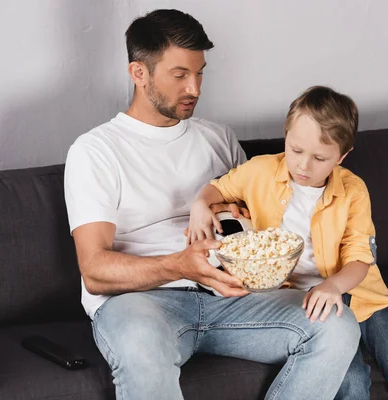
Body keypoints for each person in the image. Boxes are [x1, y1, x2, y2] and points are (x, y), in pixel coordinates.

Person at [64, 9, 361, 400]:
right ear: (139, 73)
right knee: (140, 346)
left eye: (200, 72)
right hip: (141, 303)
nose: (195, 88)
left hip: (233, 297)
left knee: (337, 325)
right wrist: (179, 265)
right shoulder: (96, 151)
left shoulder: (218, 138)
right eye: (180, 75)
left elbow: (261, 222)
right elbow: (94, 270)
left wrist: (239, 218)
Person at [189, 85, 388, 399]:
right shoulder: (260, 171)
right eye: (295, 149)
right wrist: (200, 204)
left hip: (361, 294)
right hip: (302, 301)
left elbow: (360, 259)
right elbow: (218, 188)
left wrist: (333, 286)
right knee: (352, 383)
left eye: (319, 157)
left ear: (342, 156)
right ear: (286, 135)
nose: (304, 165)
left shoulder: (353, 191)